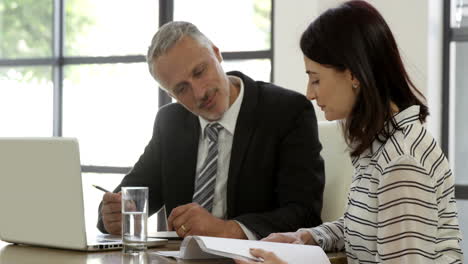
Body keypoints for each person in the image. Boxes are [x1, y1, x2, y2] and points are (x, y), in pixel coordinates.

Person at [236, 1, 463, 263]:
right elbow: (367, 226)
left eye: (316, 78)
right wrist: (308, 237)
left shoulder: (401, 163)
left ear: (353, 74)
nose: (310, 93)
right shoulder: (382, 144)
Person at [97, 21, 325, 240]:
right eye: (181, 88)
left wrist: (228, 230)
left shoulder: (286, 111)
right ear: (171, 95)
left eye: (199, 72)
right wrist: (112, 215)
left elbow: (304, 212)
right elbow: (130, 197)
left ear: (217, 53)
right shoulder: (170, 123)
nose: (199, 93)